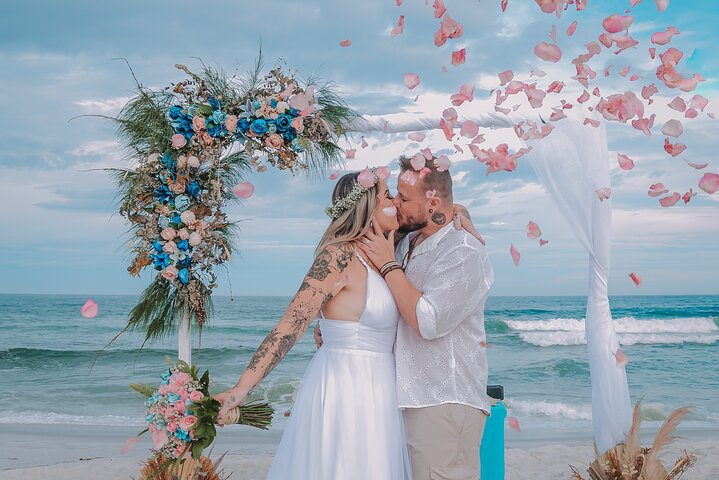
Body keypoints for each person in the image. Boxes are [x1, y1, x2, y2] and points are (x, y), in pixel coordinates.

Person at [215, 167, 413, 479]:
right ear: (368, 208)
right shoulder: (337, 257)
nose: (397, 203)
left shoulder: (388, 255)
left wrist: (454, 210)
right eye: (389, 196)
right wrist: (243, 388)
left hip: (382, 390)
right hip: (344, 387)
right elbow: (292, 323)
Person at [357, 154, 494, 480]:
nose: (396, 206)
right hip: (406, 397)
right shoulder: (407, 242)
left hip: (443, 400)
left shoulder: (463, 251)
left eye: (404, 199)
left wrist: (389, 266)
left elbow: (427, 322)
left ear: (433, 201)